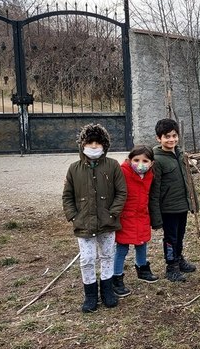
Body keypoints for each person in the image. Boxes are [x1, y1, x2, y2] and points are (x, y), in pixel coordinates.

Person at [62, 123, 127, 312]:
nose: (93, 146)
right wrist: (73, 216)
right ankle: (90, 295)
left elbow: (121, 192)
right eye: (90, 142)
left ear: (104, 145)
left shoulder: (113, 165)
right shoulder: (74, 169)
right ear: (82, 144)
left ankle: (107, 291)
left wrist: (113, 212)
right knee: (87, 259)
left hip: (107, 222)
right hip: (83, 224)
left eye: (98, 143)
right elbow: (67, 195)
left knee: (107, 256)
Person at [149, 118, 199, 282]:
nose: (171, 140)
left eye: (174, 136)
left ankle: (178, 259)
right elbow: (154, 190)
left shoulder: (179, 154)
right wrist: (156, 216)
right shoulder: (157, 160)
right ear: (159, 138)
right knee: (171, 238)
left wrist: (192, 202)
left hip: (181, 205)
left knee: (180, 234)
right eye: (167, 137)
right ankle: (171, 267)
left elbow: (187, 180)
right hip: (168, 208)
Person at [111, 146, 161, 297]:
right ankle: (116, 277)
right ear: (129, 160)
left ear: (151, 163)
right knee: (122, 248)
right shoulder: (122, 172)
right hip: (125, 217)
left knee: (142, 243)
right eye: (136, 160)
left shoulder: (150, 174)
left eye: (145, 161)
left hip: (141, 215)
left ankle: (142, 268)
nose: (140, 164)